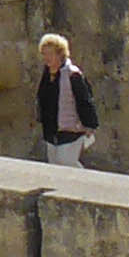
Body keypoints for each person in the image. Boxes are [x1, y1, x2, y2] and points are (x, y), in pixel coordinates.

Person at [35, 31, 101, 168]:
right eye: (44, 54)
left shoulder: (72, 74)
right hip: (51, 131)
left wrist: (90, 125)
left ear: (60, 54)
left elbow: (84, 100)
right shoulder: (46, 75)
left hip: (71, 131)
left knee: (66, 163)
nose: (47, 58)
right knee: (55, 166)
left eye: (50, 53)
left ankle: (87, 180)